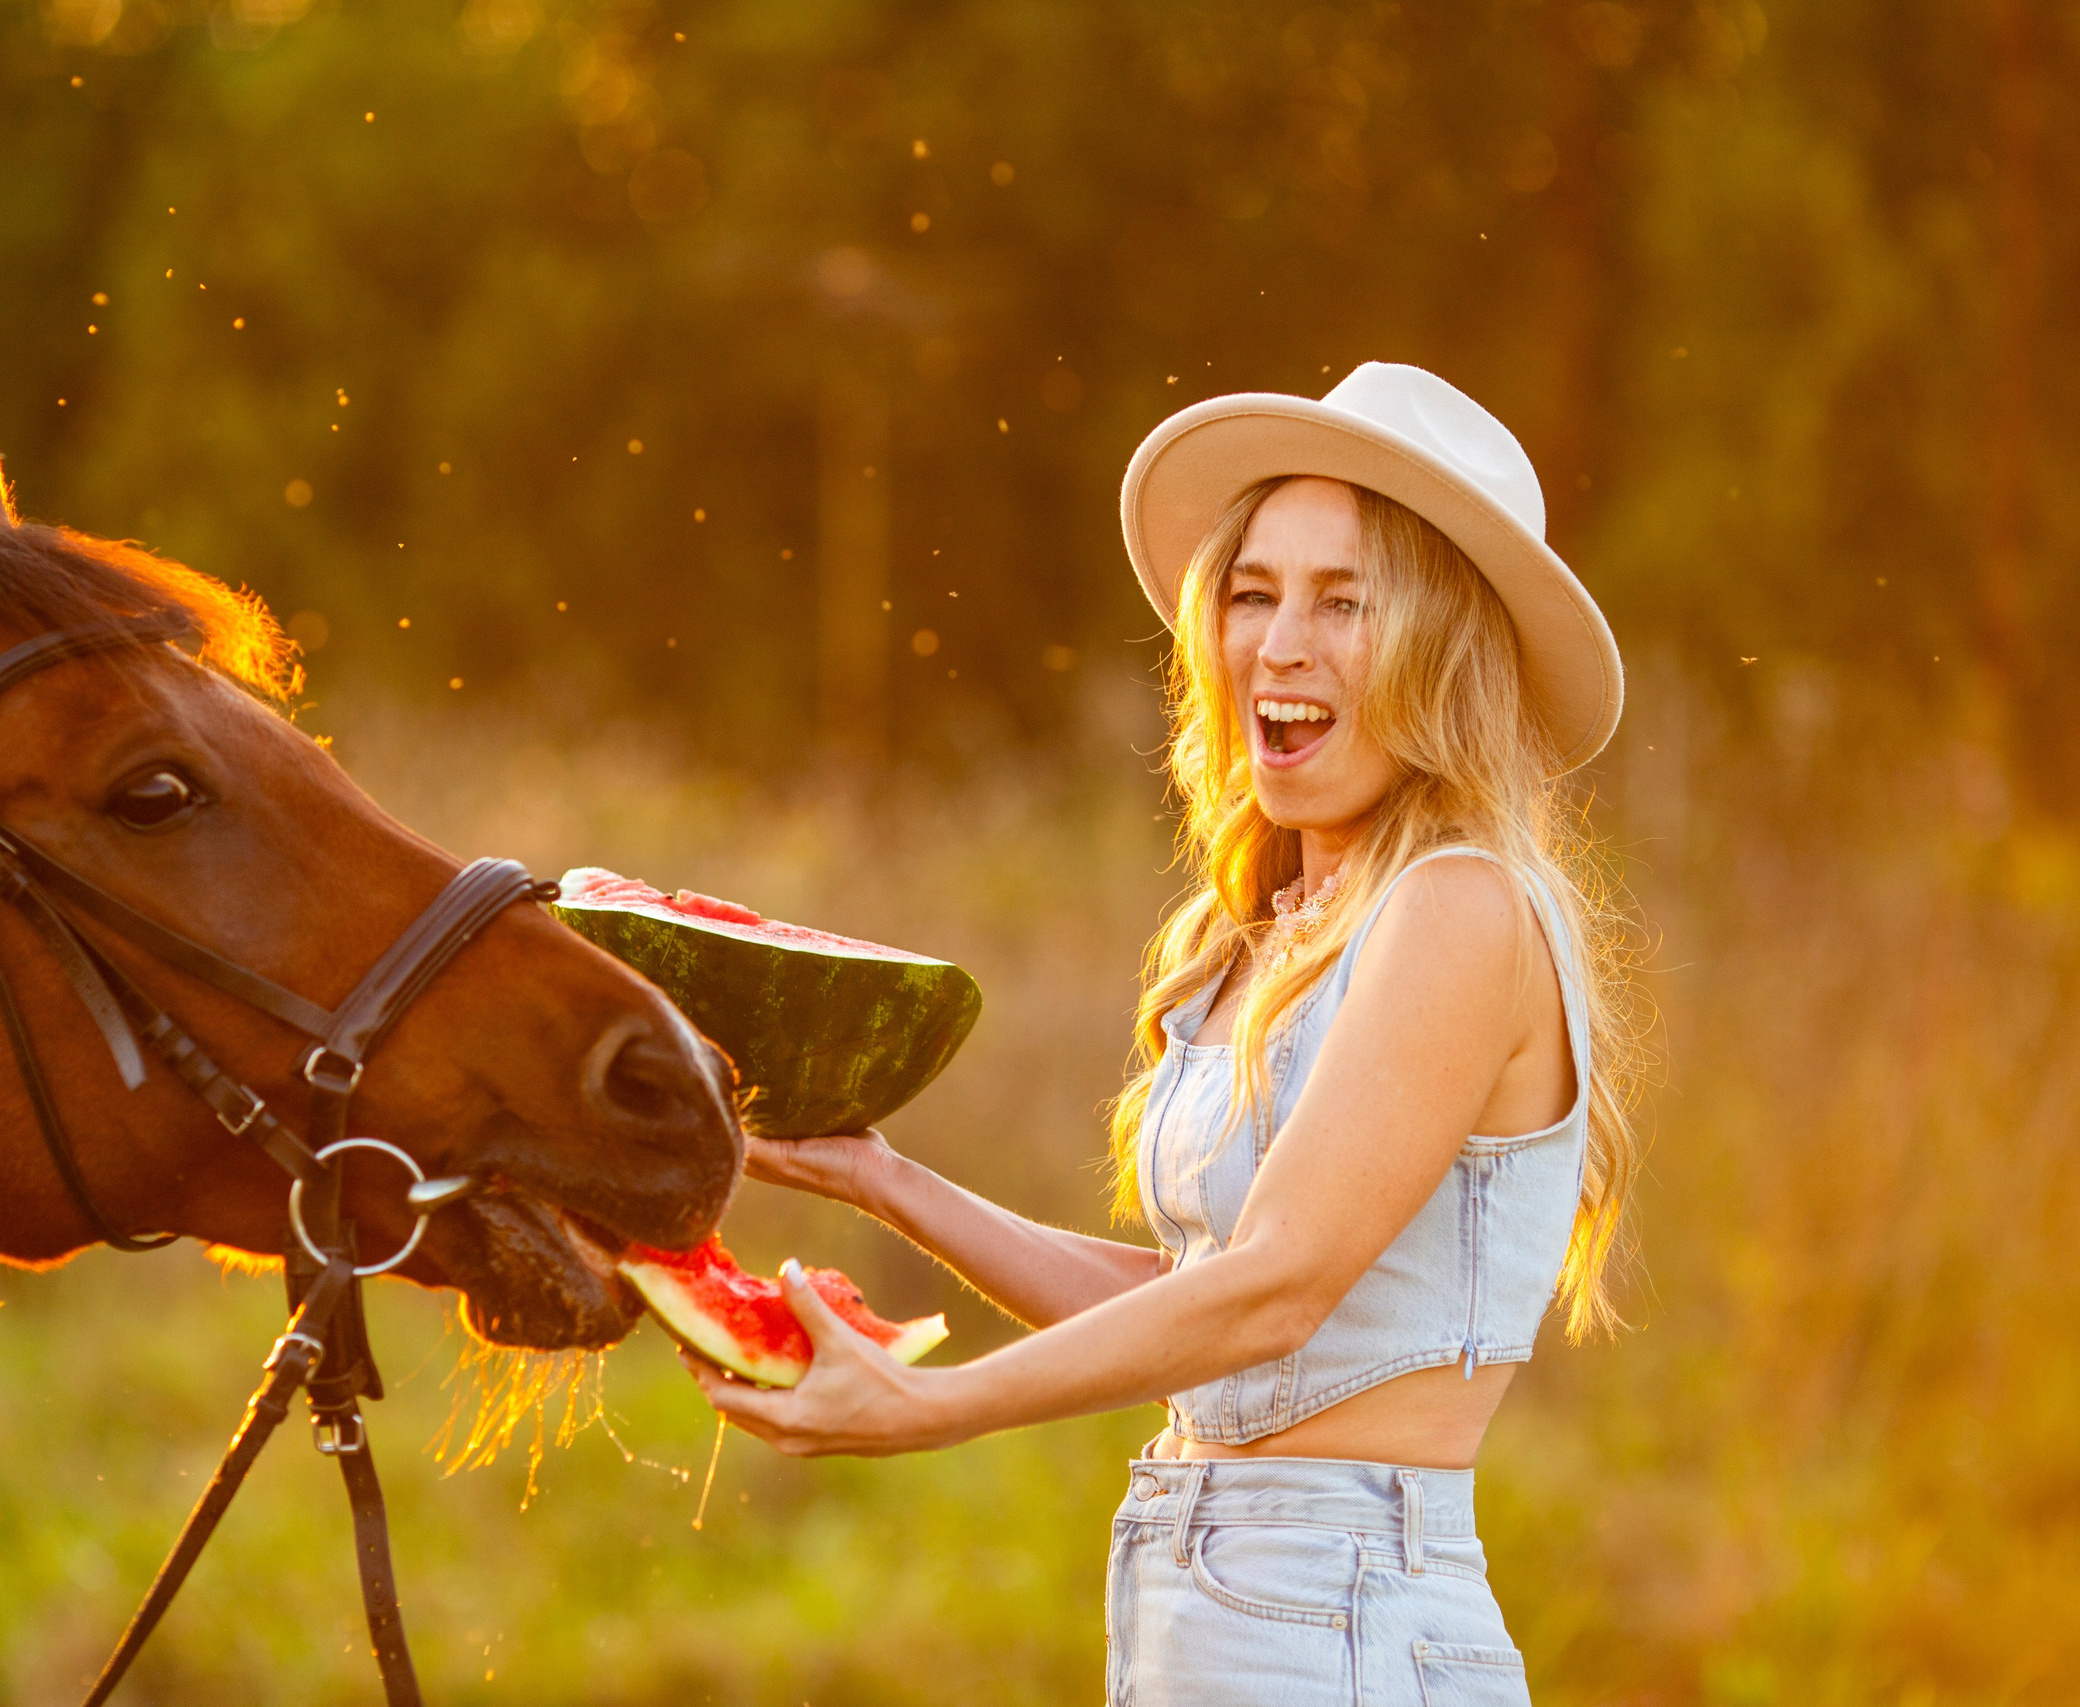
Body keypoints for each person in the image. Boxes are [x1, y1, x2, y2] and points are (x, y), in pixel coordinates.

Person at [688, 362, 1643, 1704]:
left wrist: (932, 1410)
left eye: (1344, 601)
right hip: (1216, 1607)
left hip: (1343, 1619)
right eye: (1254, 592)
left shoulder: (1460, 905)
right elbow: (1199, 1301)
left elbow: (1277, 1291)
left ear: (1445, 649)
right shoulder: (1283, 925)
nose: (1279, 642)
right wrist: (882, 1177)